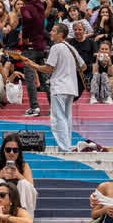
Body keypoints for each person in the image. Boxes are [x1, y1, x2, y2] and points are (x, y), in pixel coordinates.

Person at [45, 19, 82, 153]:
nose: (51, 32)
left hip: (59, 86)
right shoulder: (71, 47)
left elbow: (48, 69)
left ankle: (64, 147)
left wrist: (32, 65)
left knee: (58, 118)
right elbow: (82, 66)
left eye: (54, 31)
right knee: (66, 117)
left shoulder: (56, 47)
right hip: (70, 87)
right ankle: (66, 145)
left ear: (60, 34)